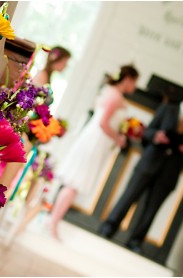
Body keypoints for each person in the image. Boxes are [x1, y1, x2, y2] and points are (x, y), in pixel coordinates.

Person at [98, 85, 183, 253]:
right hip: (150, 162)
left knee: (152, 209)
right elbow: (147, 131)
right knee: (129, 196)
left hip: (170, 172)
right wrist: (155, 136)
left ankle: (135, 241)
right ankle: (109, 227)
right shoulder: (167, 109)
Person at [49, 65, 140, 240]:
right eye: (134, 82)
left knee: (73, 183)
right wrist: (118, 138)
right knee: (74, 183)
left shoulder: (110, 91)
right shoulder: (115, 96)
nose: (134, 87)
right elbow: (104, 123)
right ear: (128, 79)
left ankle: (54, 219)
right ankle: (53, 221)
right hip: (95, 141)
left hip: (95, 140)